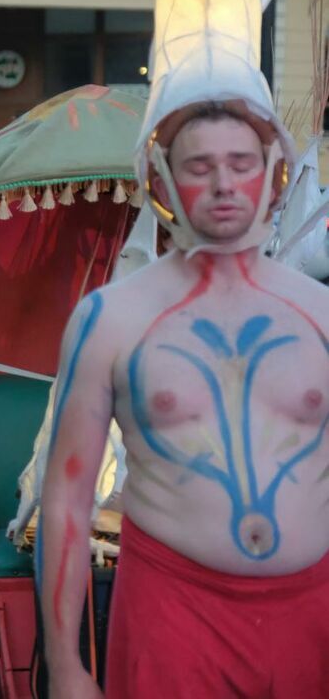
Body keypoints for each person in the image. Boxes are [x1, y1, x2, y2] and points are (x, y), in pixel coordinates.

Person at [39, 103, 329, 698]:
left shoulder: (320, 316)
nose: (223, 183)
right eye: (200, 165)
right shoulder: (110, 318)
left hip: (311, 614)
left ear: (273, 174)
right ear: (163, 180)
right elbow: (67, 499)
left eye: (240, 163)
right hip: (171, 612)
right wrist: (67, 668)